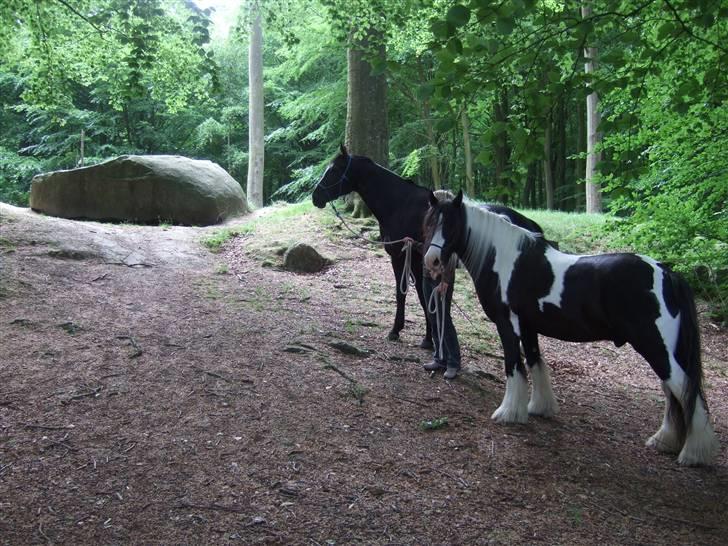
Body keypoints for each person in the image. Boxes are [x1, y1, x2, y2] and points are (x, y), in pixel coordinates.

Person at [405, 190, 461, 379]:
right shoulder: (432, 226)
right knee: (433, 317)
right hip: (426, 276)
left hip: (441, 280)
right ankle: (439, 357)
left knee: (444, 318)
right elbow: (430, 250)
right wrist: (414, 244)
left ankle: (453, 362)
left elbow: (452, 256)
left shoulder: (449, 227)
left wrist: (446, 280)